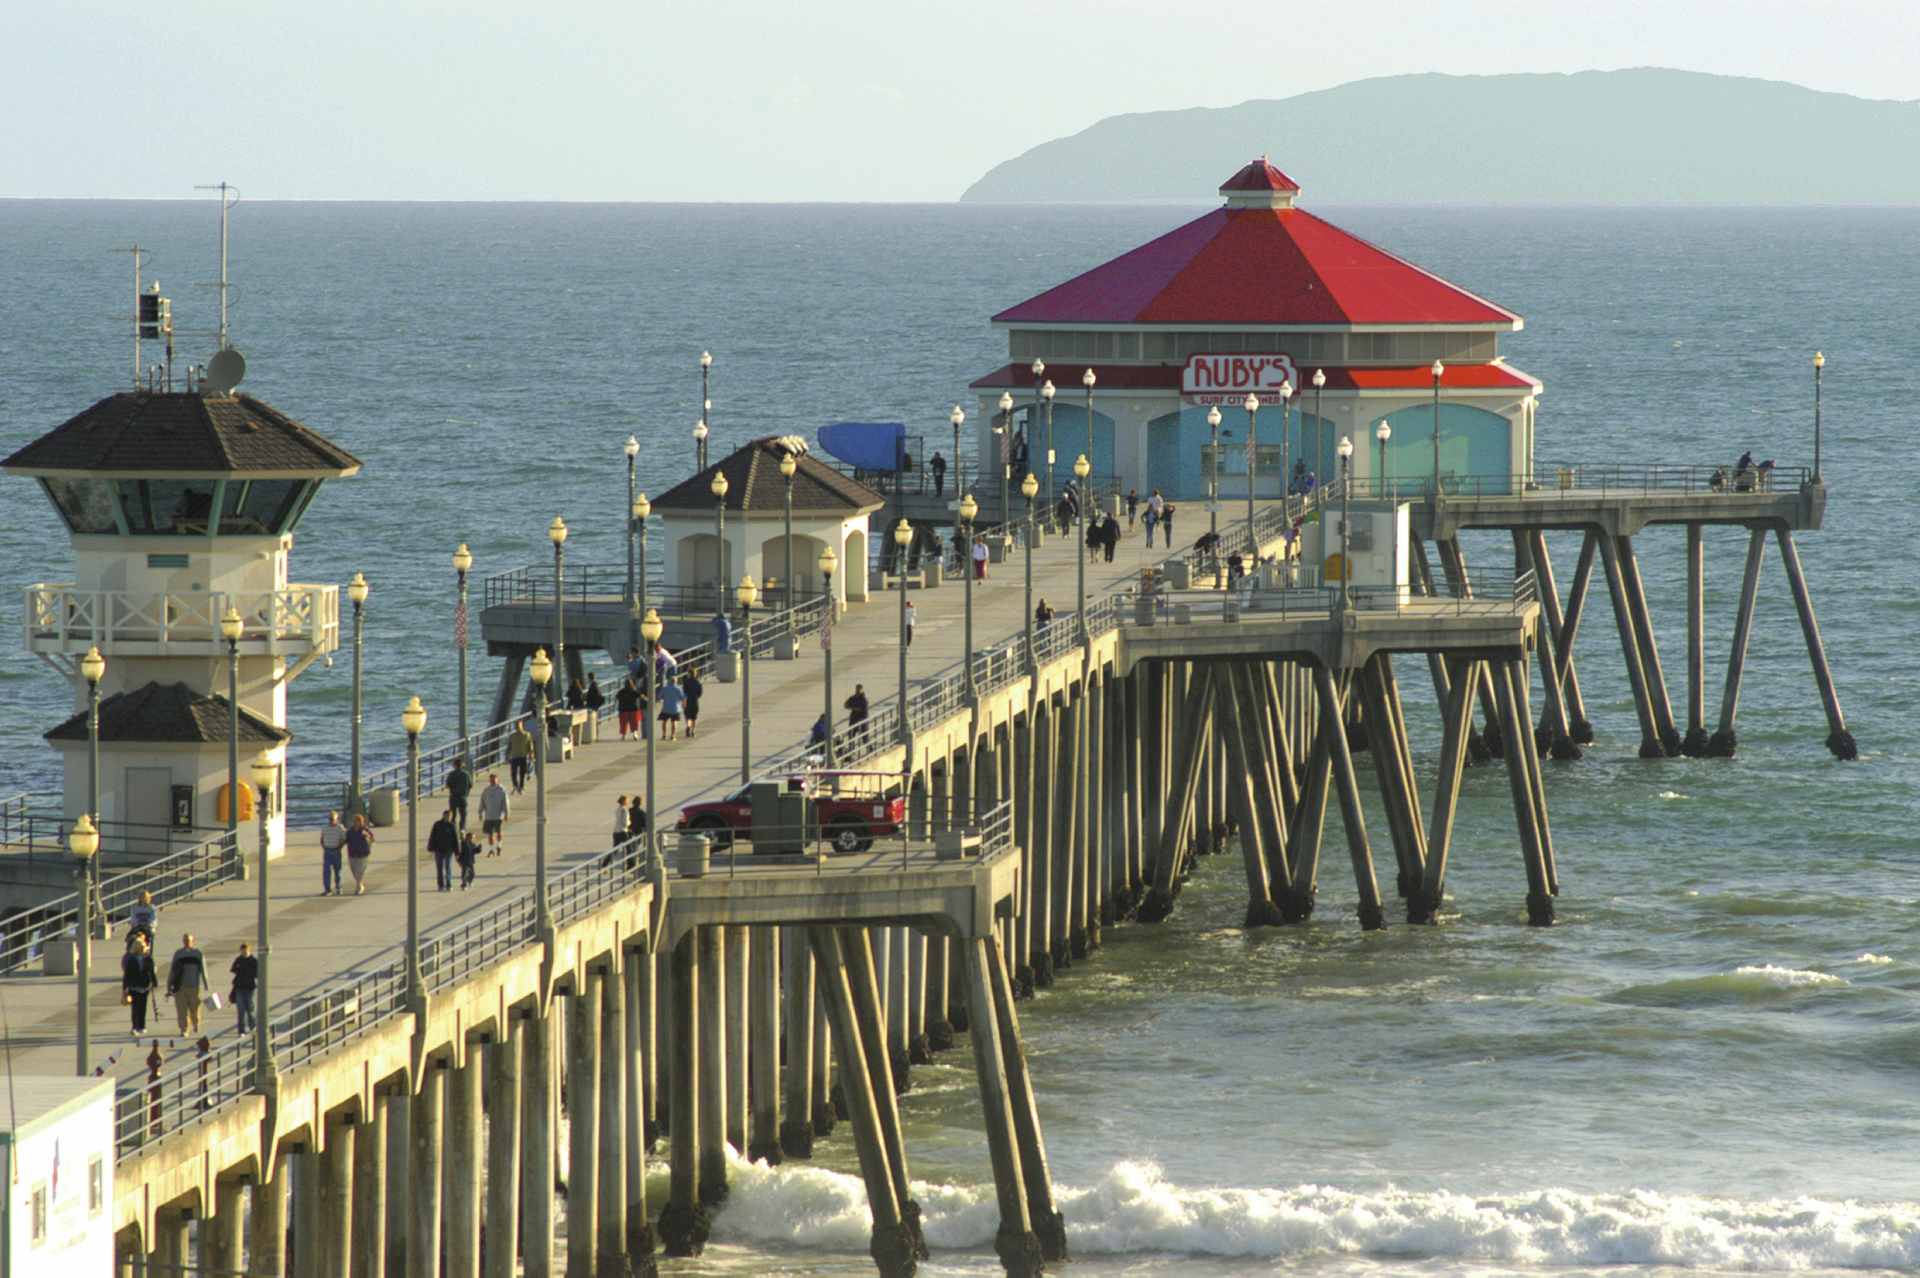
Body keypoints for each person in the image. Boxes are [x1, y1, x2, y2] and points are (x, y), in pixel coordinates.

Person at [167, 933, 207, 1035]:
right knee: (182, 1010)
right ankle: (184, 1029)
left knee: (195, 1008)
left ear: (193, 941)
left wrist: (206, 983)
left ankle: (196, 1024)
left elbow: (203, 969)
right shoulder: (178, 954)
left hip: (194, 986)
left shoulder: (198, 954)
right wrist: (169, 984)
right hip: (180, 987)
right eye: (185, 940)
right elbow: (173, 970)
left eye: (188, 940)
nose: (186, 942)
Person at [122, 933, 157, 1038]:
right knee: (135, 1008)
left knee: (143, 1007)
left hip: (145, 986)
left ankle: (142, 1026)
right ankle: (135, 1027)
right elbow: (127, 974)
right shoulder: (131, 959)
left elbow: (152, 972)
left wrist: (154, 982)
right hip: (134, 986)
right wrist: (125, 988)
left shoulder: (148, 959)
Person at [428, 807, 460, 891]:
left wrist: (457, 852)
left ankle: (449, 884)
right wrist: (431, 848)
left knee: (448, 867)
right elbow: (432, 836)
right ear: (443, 816)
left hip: (448, 850)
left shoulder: (452, 826)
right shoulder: (437, 825)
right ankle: (441, 885)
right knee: (439, 868)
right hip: (439, 849)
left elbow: (456, 839)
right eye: (447, 816)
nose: (448, 817)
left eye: (450, 816)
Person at [477, 773, 509, 855]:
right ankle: (491, 849)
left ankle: (499, 845)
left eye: (494, 780)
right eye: (491, 780)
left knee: (499, 832)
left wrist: (506, 813)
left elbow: (505, 802)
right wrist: (480, 812)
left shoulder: (502, 790)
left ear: (497, 780)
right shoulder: (486, 791)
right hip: (489, 816)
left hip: (498, 816)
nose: (492, 782)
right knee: (490, 833)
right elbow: (482, 802)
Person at [230, 942, 258, 1035]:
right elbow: (234, 969)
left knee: (251, 1008)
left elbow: (258, 973)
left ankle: (253, 1026)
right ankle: (241, 1030)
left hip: (250, 988)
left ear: (249, 950)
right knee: (241, 1009)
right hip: (240, 988)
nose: (244, 954)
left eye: (245, 952)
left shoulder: (254, 961)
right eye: (242, 952)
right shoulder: (239, 960)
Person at [345, 813, 375, 894]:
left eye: (357, 821)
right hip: (352, 853)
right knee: (354, 871)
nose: (355, 823)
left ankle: (359, 887)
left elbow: (372, 841)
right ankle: (360, 885)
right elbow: (345, 840)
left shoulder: (365, 830)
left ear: (361, 821)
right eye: (354, 821)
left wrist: (367, 835)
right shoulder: (350, 831)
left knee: (359, 872)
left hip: (363, 854)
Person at [319, 812, 347, 895]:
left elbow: (343, 839)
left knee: (338, 870)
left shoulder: (340, 827)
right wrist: (324, 846)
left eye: (333, 819)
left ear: (337, 819)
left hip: (336, 851)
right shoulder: (325, 827)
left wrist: (340, 847)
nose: (331, 820)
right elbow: (322, 838)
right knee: (326, 870)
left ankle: (339, 887)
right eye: (330, 819)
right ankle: (327, 889)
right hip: (327, 851)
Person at [506, 718, 535, 793]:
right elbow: (509, 746)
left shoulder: (527, 735)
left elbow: (530, 745)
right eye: (516, 726)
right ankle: (515, 785)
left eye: (518, 726)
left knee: (523, 773)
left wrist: (531, 755)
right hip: (514, 756)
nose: (517, 727)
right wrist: (507, 754)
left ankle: (521, 787)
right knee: (513, 773)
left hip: (523, 756)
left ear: (522, 726)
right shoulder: (513, 736)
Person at [446, 756, 472, 828]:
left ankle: (453, 829)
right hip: (462, 796)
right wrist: (467, 794)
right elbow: (470, 785)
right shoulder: (466, 774)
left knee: (453, 815)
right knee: (463, 815)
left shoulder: (452, 774)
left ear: (455, 765)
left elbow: (447, 785)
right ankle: (462, 829)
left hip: (454, 796)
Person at [682, 667, 703, 737]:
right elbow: (700, 693)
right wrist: (696, 696)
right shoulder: (697, 683)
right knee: (694, 716)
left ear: (690, 674)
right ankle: (693, 731)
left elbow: (684, 692)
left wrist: (683, 701)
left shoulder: (686, 682)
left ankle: (688, 726)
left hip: (687, 700)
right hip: (694, 700)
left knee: (688, 715)